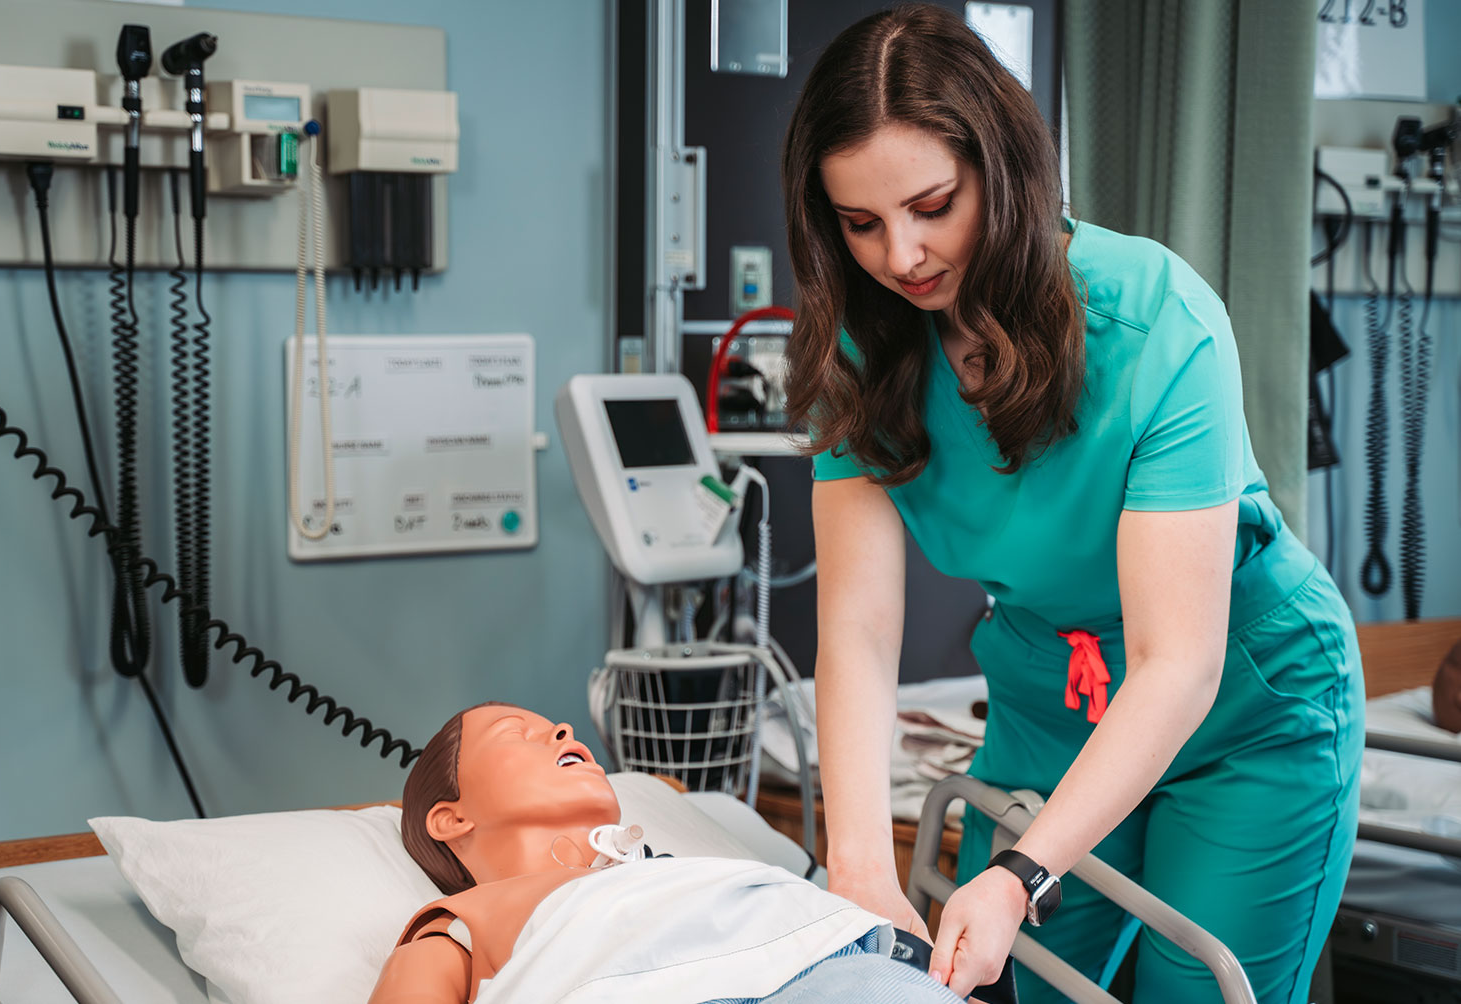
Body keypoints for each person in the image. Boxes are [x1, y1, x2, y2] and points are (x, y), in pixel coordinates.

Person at [780, 5, 1363, 1002]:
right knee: (1009, 980)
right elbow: (860, 629)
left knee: (1194, 984)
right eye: (862, 224)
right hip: (1056, 692)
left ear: (999, 168)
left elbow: (1178, 660)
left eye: (932, 205)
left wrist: (1021, 871)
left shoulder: (1156, 323)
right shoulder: (862, 351)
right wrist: (861, 864)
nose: (904, 255)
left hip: (1240, 697)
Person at [367, 701, 978, 1004]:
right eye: (515, 735)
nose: (562, 731)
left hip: (851, 969)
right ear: (451, 818)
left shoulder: (680, 879)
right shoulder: (462, 930)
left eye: (555, 726)